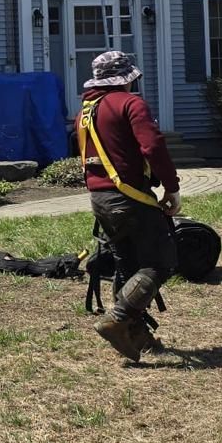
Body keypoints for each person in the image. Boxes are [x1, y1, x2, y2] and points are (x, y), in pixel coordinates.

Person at [76, 49, 180, 364]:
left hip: (100, 200)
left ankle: (137, 336)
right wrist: (171, 187)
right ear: (127, 79)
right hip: (129, 197)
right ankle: (117, 319)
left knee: (128, 266)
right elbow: (153, 145)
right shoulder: (130, 104)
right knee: (160, 263)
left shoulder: (86, 111)